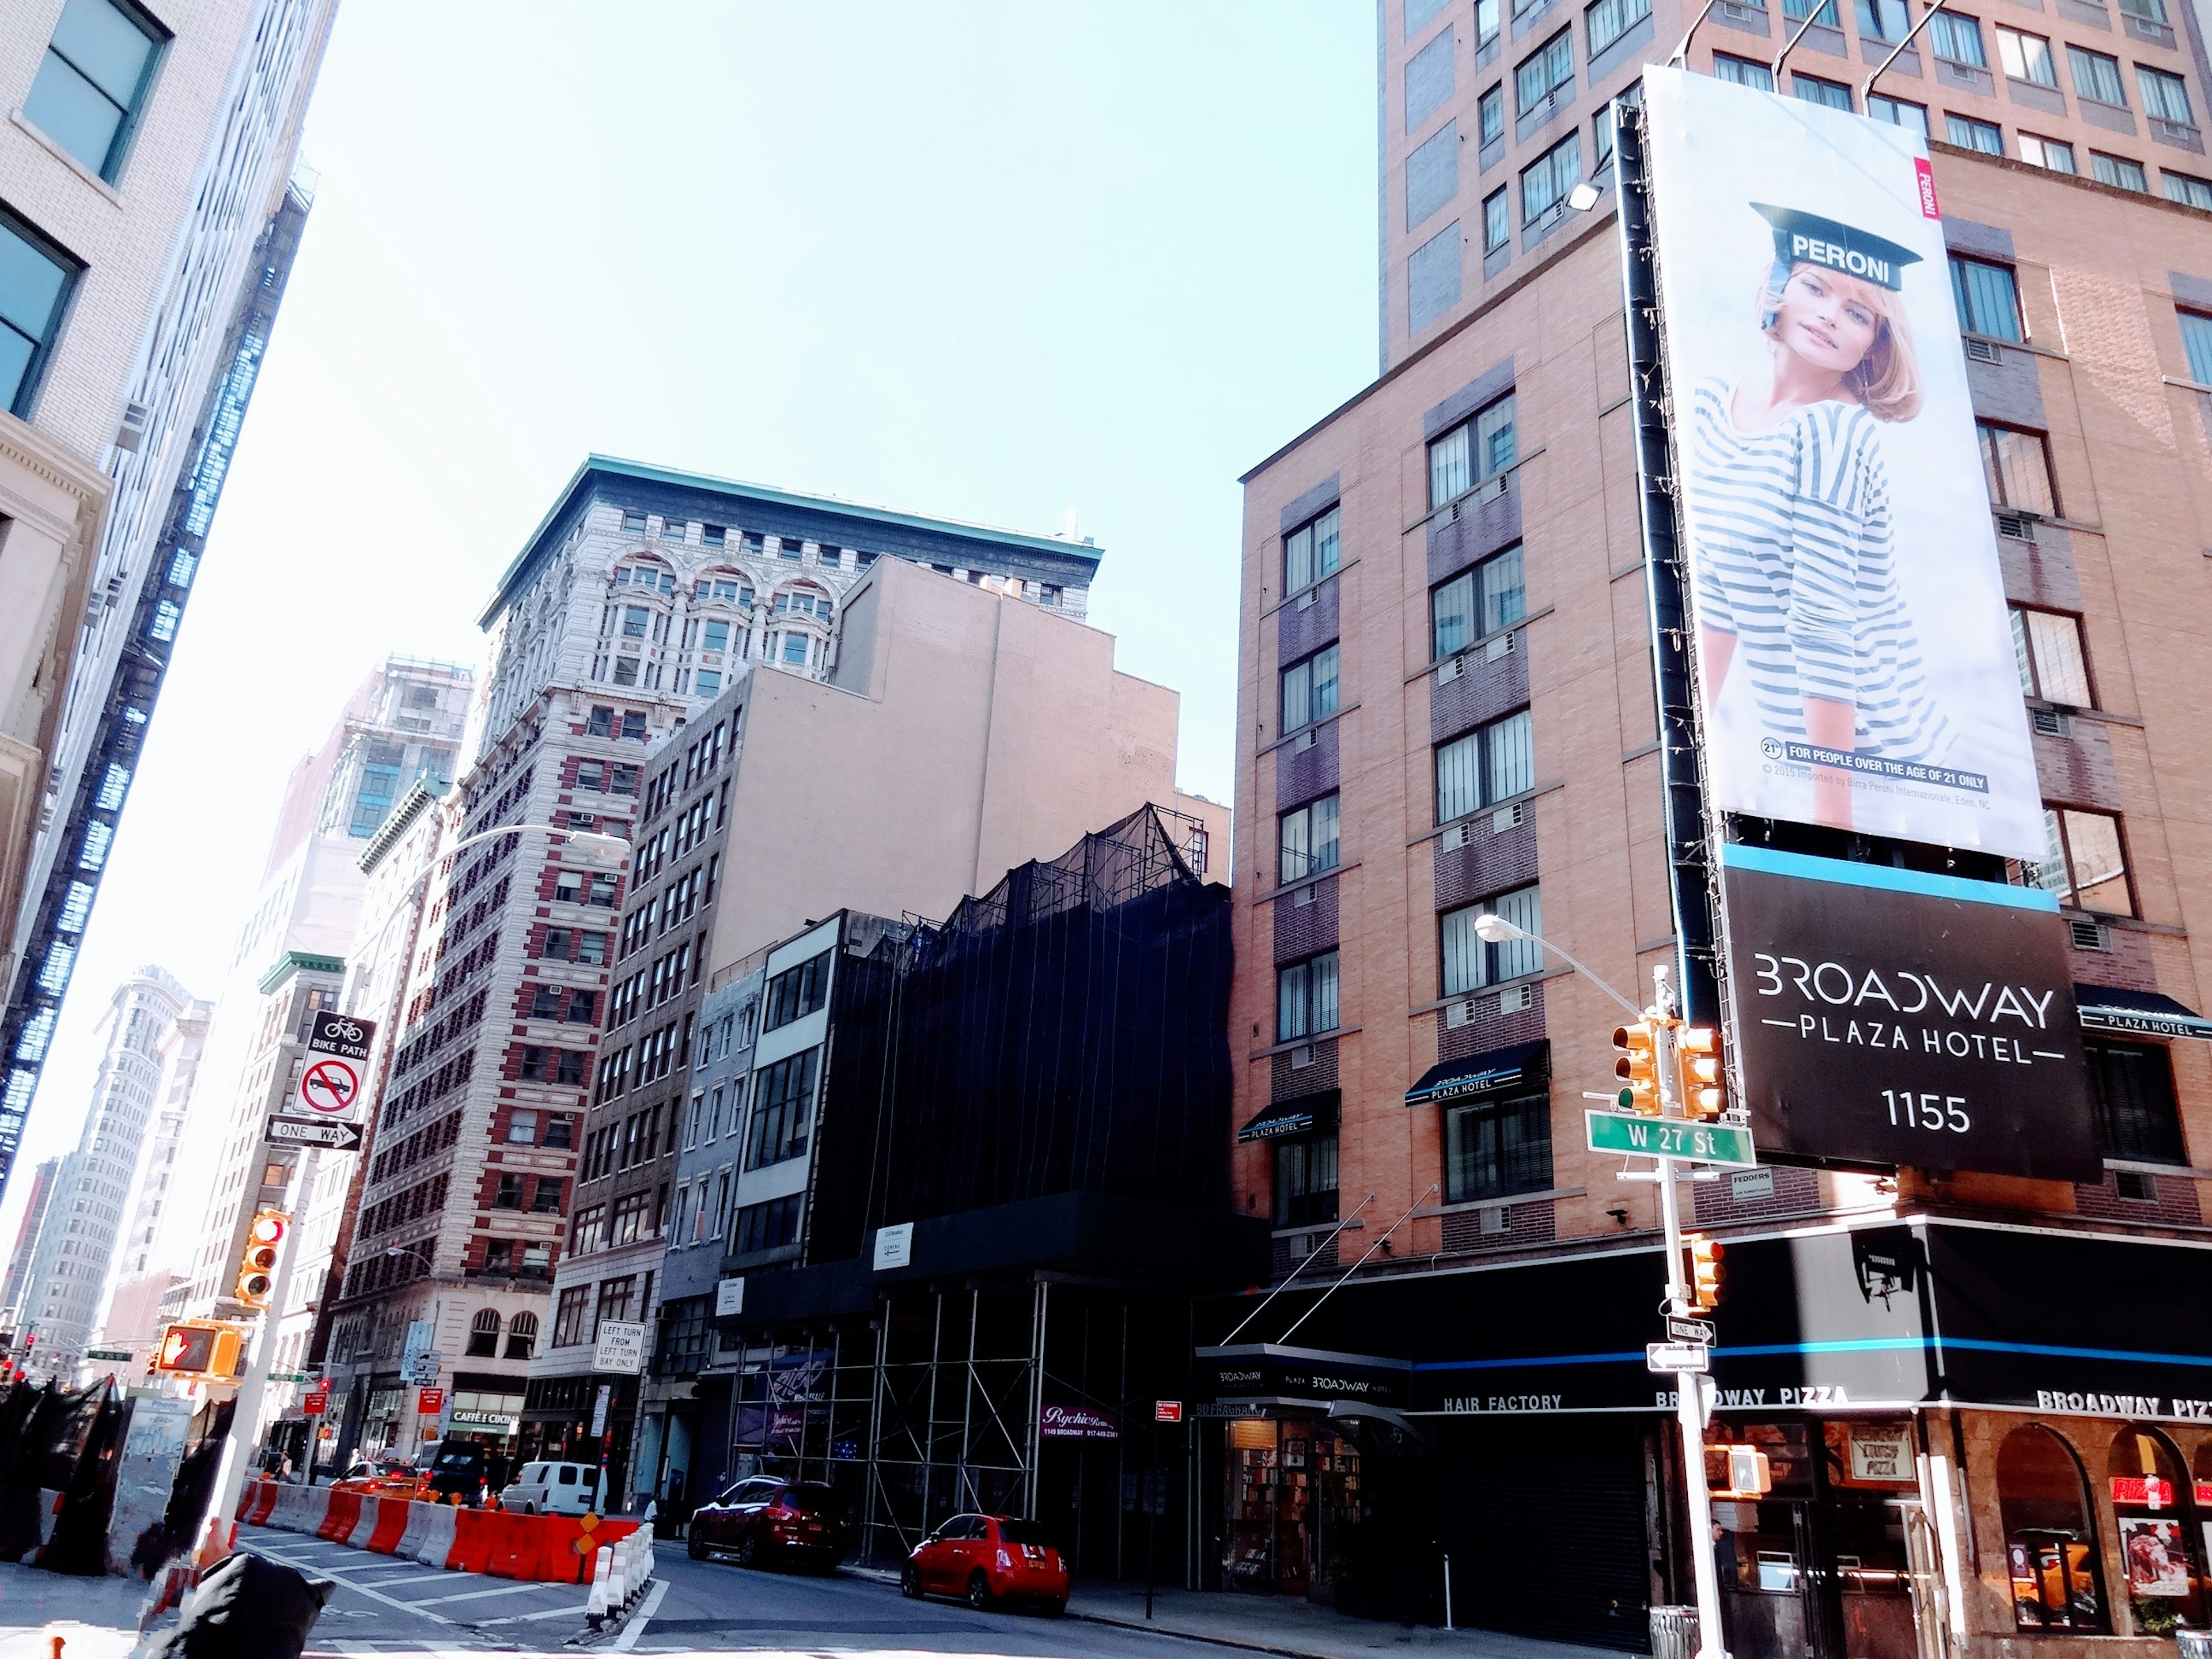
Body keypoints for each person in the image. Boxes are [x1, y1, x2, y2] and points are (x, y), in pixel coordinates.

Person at [1690, 203, 1952, 831]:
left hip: (1880, 765)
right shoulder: (1707, 403)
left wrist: (1832, 827)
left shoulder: (1837, 431)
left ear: (1873, 345)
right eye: (1815, 286)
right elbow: (1715, 604)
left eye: (1858, 312)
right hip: (1803, 759)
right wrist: (1687, 758)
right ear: (1778, 292)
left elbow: (1824, 626)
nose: (1831, 315)